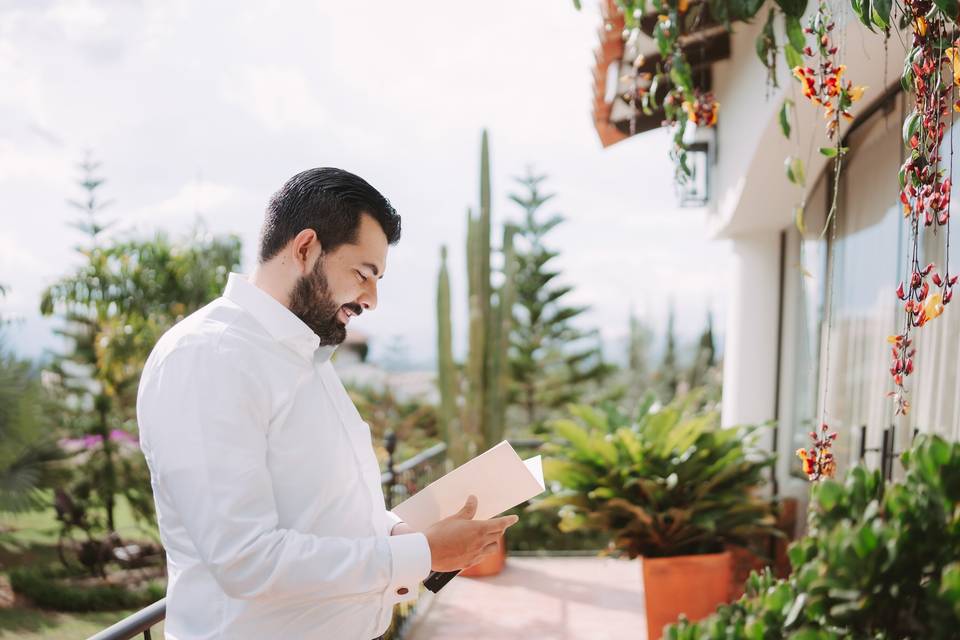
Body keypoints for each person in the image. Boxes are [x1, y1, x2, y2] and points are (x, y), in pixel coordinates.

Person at [137, 168, 519, 640]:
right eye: (363, 274)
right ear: (305, 248)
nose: (372, 299)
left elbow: (322, 513)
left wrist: (400, 535)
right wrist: (422, 555)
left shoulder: (305, 357)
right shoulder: (208, 357)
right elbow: (245, 560)